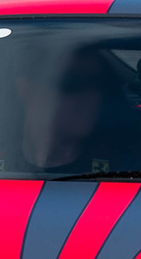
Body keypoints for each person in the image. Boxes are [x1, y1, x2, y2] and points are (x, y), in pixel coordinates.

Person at [10, 46, 119, 174]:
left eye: (96, 83)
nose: (91, 97)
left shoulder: (125, 171)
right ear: (26, 91)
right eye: (71, 82)